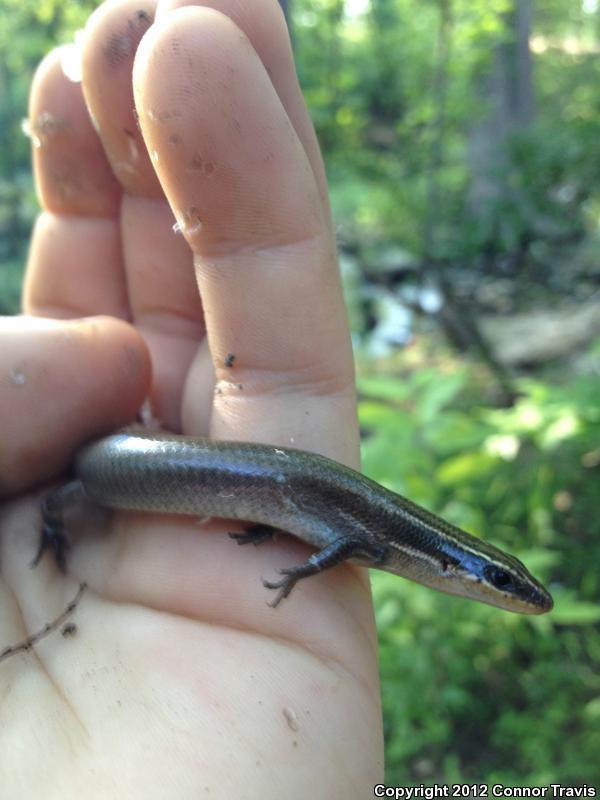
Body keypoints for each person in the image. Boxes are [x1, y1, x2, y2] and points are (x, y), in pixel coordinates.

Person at [0, 0, 384, 795]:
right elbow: (69, 493)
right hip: (102, 471)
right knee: (60, 493)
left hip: (127, 476)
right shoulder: (84, 485)